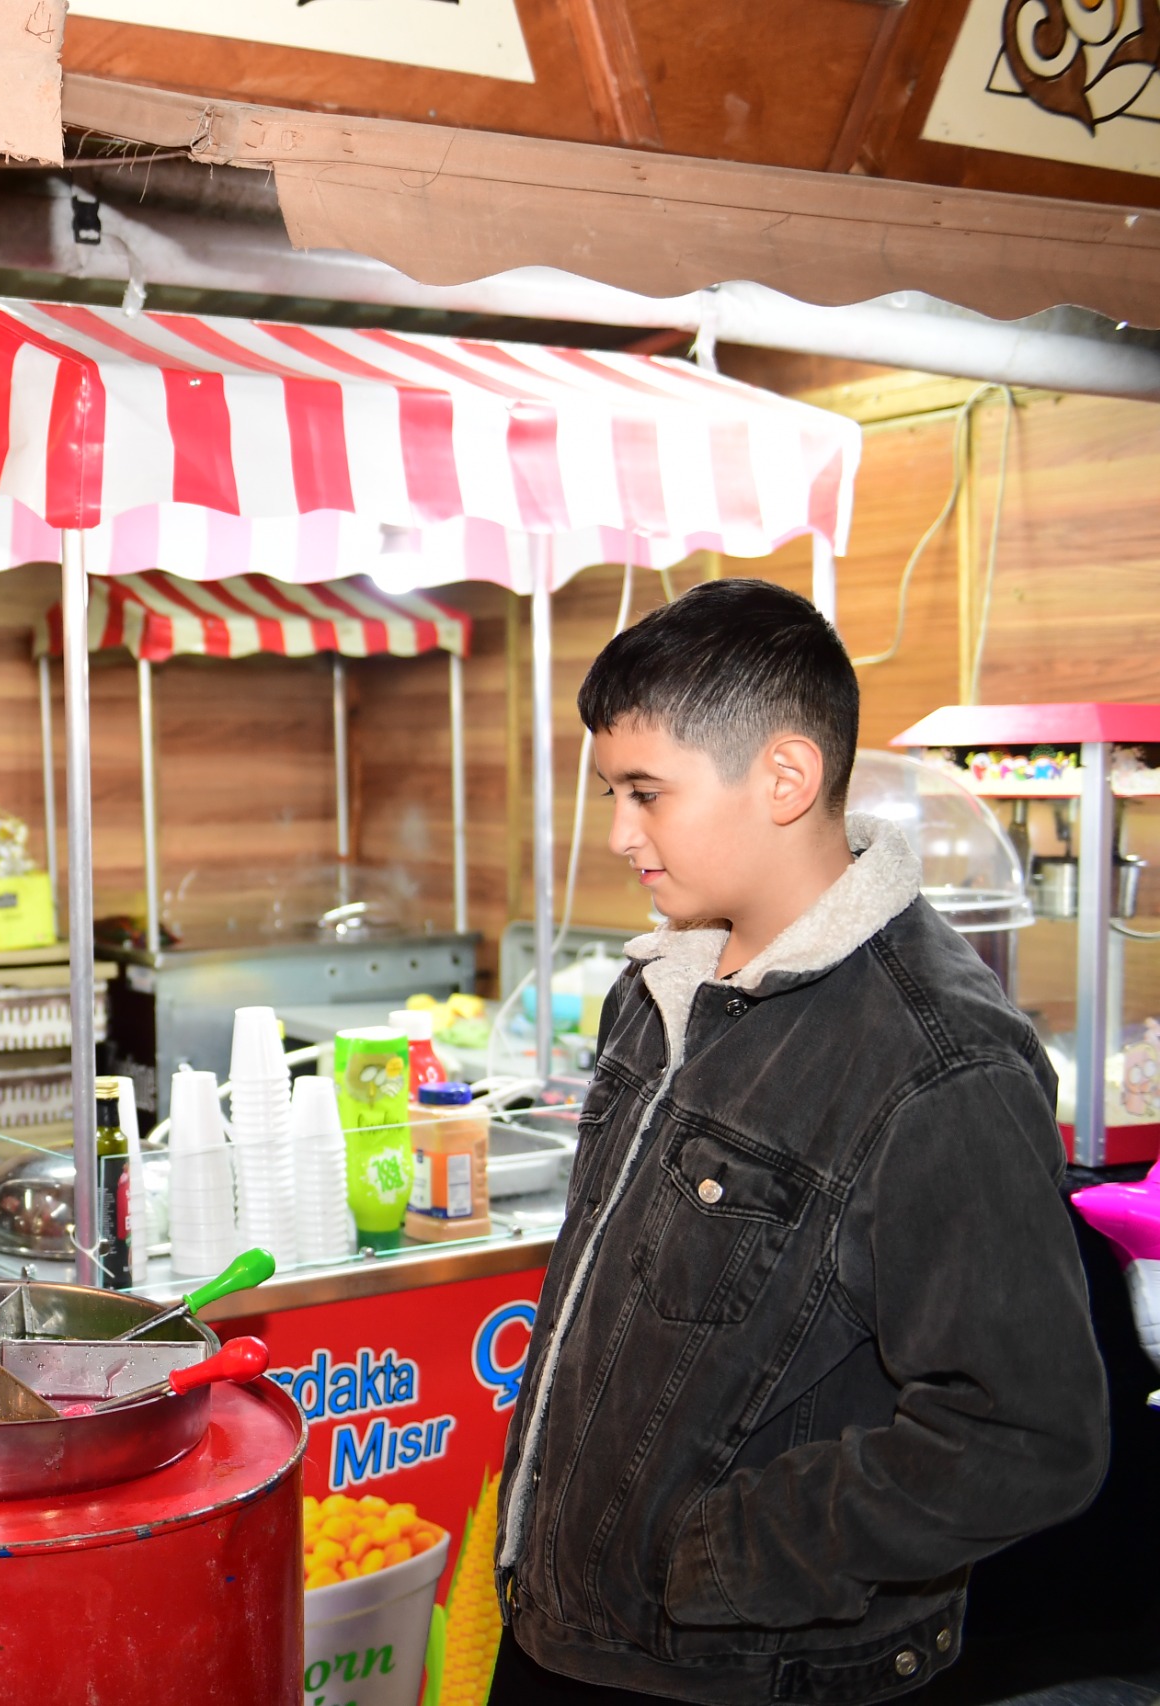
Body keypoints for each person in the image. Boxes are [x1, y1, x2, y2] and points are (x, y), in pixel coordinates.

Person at [491, 580, 1109, 1705]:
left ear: (784, 777)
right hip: (563, 1631)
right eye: (610, 792)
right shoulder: (657, 986)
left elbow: (1026, 1434)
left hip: (739, 1667)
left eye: (645, 793)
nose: (619, 833)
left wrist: (712, 1559)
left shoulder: (939, 1065)